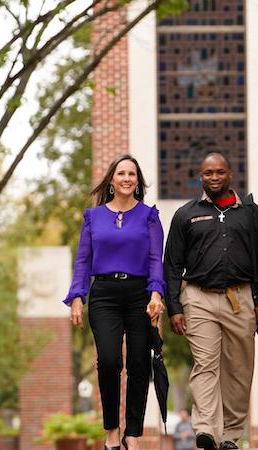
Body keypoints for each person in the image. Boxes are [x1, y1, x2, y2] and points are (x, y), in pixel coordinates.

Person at [164, 152, 258, 450]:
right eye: (208, 173)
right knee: (205, 364)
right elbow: (172, 265)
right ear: (200, 177)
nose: (214, 177)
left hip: (241, 298)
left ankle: (229, 435)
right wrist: (174, 307)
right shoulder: (186, 214)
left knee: (240, 369)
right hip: (198, 297)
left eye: (219, 172)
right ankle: (205, 431)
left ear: (230, 174)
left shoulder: (252, 213)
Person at [63, 155, 166, 450]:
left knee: (138, 364)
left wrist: (156, 294)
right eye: (121, 173)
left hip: (139, 295)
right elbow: (83, 259)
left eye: (132, 173)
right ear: (111, 180)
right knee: (109, 361)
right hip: (104, 294)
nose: (126, 178)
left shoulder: (149, 216)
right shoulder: (93, 217)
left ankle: (132, 434)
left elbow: (154, 259)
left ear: (137, 181)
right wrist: (77, 297)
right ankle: (111, 429)